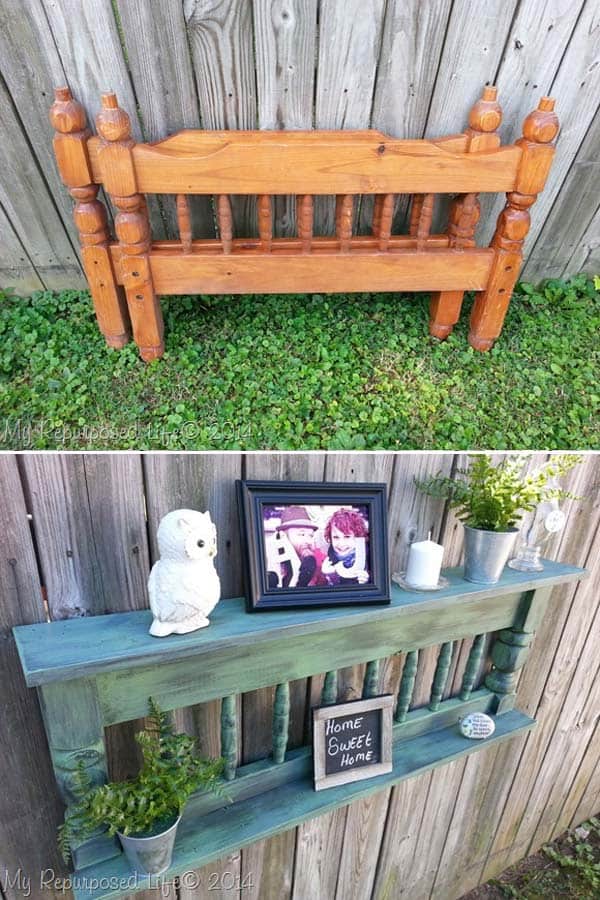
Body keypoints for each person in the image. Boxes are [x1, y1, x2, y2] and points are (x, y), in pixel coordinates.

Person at [265, 506, 326, 588]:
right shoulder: (267, 559)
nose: (308, 540)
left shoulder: (319, 561)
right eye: (302, 534)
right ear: (283, 536)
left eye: (311, 536)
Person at [322, 508, 370, 585]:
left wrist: (368, 583)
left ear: (358, 537)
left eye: (347, 537)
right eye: (336, 537)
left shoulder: (370, 558)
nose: (341, 544)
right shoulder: (329, 559)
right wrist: (331, 576)